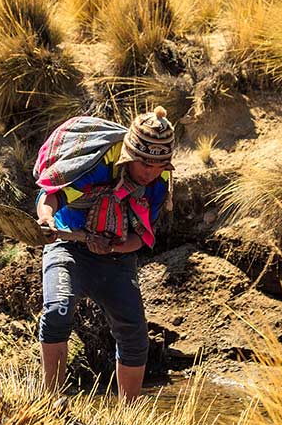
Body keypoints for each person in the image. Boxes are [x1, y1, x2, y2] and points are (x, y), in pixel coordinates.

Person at [33, 106, 175, 402]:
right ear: (130, 154)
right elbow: (53, 195)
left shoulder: (158, 183)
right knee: (58, 311)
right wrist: (46, 220)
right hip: (68, 245)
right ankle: (49, 402)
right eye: (144, 163)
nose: (149, 172)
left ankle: (129, 413)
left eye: (158, 165)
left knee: (134, 334)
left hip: (115, 259)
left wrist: (112, 246)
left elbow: (140, 238)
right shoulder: (97, 164)